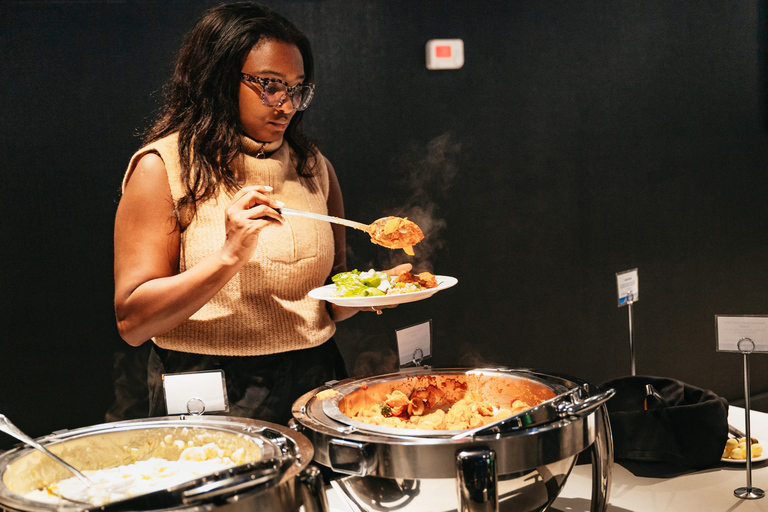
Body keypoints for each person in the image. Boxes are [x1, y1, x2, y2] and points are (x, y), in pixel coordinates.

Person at [112, 2, 409, 425]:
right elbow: (134, 321)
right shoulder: (163, 168)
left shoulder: (313, 166)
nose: (287, 104)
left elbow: (329, 301)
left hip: (315, 376)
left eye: (298, 88)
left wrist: (374, 291)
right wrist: (229, 255)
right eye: (270, 85)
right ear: (218, 80)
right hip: (210, 384)